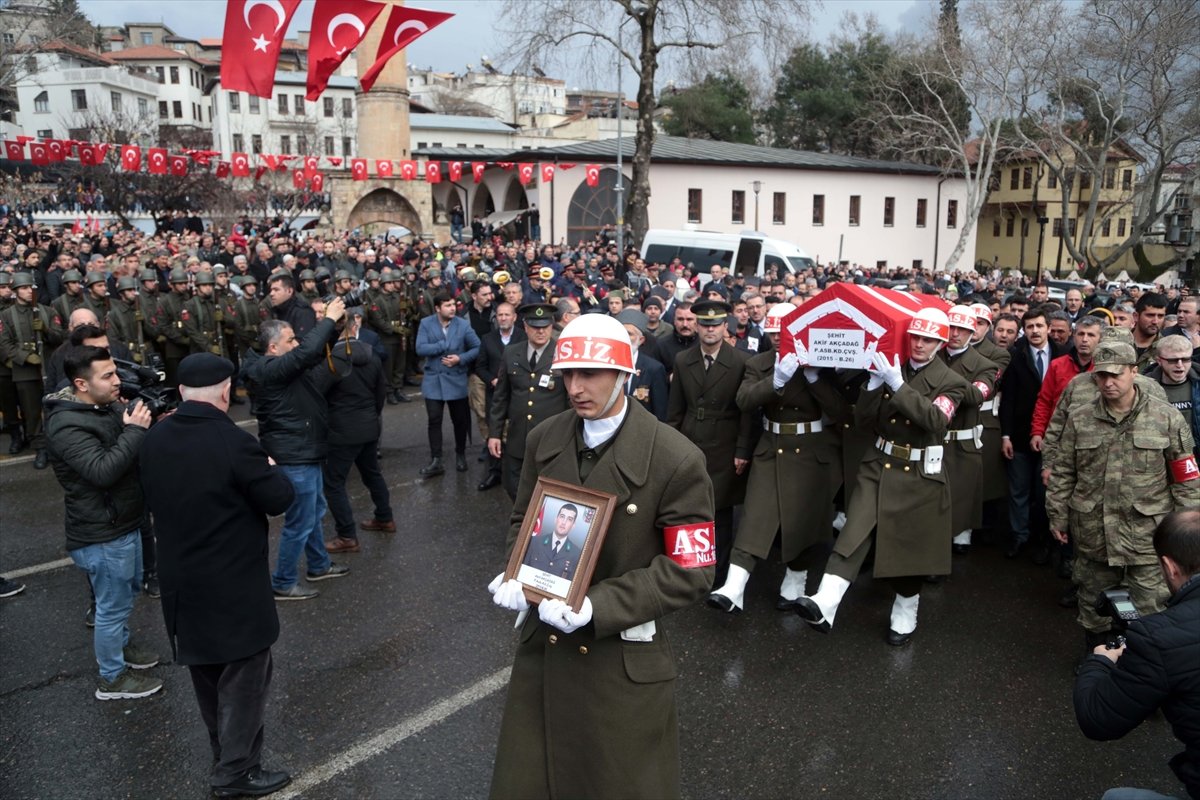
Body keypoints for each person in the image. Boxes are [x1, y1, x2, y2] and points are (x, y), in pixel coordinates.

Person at [488, 313, 716, 800]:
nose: (575, 387)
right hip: (544, 651)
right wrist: (518, 570)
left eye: (590, 373)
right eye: (568, 374)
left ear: (625, 374)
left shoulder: (676, 458)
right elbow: (523, 517)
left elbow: (692, 569)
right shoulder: (543, 438)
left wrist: (599, 606)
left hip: (618, 657)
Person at [140, 353, 295, 798]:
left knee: (208, 677)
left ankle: (224, 753)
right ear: (226, 392)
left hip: (181, 583)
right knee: (246, 679)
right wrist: (270, 467)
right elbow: (278, 498)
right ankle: (236, 772)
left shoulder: (154, 438)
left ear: (183, 392)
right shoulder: (233, 441)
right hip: (232, 586)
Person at [795, 308, 970, 645]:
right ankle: (825, 601)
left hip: (919, 473)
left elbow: (935, 420)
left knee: (909, 548)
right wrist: (874, 386)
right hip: (879, 463)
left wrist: (897, 385)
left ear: (940, 343)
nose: (919, 344)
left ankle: (906, 607)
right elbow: (862, 421)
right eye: (916, 337)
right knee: (854, 530)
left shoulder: (952, 382)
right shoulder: (892, 367)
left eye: (929, 339)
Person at [1047, 340, 1199, 653]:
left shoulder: (1166, 418)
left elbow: (1185, 477)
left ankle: (1143, 666)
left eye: (1116, 375)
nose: (1108, 382)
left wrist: (1188, 529)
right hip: (1094, 531)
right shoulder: (1080, 418)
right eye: (1101, 376)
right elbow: (1063, 471)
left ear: (1135, 372)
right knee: (1092, 603)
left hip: (1148, 535)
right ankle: (1098, 659)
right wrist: (1057, 514)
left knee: (1151, 606)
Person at [710, 303, 847, 612]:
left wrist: (814, 379)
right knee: (755, 516)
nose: (776, 338)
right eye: (771, 332)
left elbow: (841, 412)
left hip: (811, 447)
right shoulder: (759, 363)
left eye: (781, 332)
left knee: (804, 519)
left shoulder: (822, 361)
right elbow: (744, 400)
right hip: (772, 445)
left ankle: (796, 578)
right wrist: (776, 381)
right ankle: (734, 586)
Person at [43, 345, 162, 700]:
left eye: (115, 372)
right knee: (110, 609)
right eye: (108, 375)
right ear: (81, 383)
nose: (117, 381)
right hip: (102, 532)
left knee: (124, 596)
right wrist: (136, 431)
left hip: (124, 521)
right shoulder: (66, 423)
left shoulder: (100, 406)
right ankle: (112, 678)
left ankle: (121, 648)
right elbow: (102, 471)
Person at [1073, 510, 1200, 800]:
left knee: (1116, 797)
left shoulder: (1158, 638)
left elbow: (1096, 718)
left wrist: (1100, 660)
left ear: (1169, 567)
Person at [243, 298, 350, 601]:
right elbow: (307, 353)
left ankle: (318, 564)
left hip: (304, 448)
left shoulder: (278, 365)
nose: (297, 343)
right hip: (295, 454)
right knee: (299, 520)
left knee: (313, 511)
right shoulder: (269, 369)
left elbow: (310, 353)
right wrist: (326, 319)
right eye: (290, 340)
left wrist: (333, 326)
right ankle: (283, 580)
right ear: (273, 348)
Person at [667, 299, 754, 587]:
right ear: (696, 326)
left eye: (715, 325)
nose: (710, 330)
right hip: (692, 438)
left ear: (725, 326)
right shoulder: (684, 360)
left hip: (725, 442)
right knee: (689, 505)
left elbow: (746, 412)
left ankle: (717, 573)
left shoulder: (741, 361)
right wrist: (672, 448)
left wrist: (742, 450)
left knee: (720, 510)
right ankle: (691, 565)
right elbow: (675, 410)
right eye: (704, 324)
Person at [999, 305, 1067, 561]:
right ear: (1023, 331)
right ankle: (1019, 536)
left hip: (1053, 437)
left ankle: (1045, 538)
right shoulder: (1016, 356)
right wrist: (1006, 435)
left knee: (1045, 492)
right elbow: (1007, 400)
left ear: (1049, 328)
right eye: (1030, 327)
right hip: (1019, 435)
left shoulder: (1064, 355)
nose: (1035, 331)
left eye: (1039, 326)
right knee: (1019, 491)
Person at [322, 309, 393, 553]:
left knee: (333, 482)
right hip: (368, 424)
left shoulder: (332, 359)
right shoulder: (373, 355)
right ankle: (385, 517)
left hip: (342, 429)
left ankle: (346, 535)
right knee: (372, 473)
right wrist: (372, 414)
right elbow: (380, 390)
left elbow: (321, 395)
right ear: (354, 327)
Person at [487, 303, 568, 498]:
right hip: (518, 437)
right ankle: (522, 525)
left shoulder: (563, 354)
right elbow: (501, 397)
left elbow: (571, 400)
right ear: (525, 326)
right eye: (535, 326)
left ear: (552, 326)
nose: (541, 331)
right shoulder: (511, 353)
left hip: (552, 438)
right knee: (515, 487)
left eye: (545, 326)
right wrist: (495, 434)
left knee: (550, 490)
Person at [940, 306, 999, 556]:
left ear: (972, 331)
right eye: (952, 328)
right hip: (932, 439)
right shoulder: (934, 355)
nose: (955, 334)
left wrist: (937, 379)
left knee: (959, 501)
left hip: (961, 442)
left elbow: (975, 396)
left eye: (962, 329)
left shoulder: (985, 365)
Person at [0, 272, 64, 468]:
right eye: (24, 288)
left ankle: (59, 444)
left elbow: (59, 336)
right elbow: (4, 342)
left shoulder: (47, 310)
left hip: (48, 365)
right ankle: (40, 448)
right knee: (32, 411)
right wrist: (24, 356)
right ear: (16, 291)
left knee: (55, 406)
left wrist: (45, 329)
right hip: (25, 370)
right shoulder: (6, 315)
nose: (29, 291)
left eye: (31, 288)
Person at [415, 292, 480, 477]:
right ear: (437, 308)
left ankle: (460, 454)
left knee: (459, 420)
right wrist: (442, 345)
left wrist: (460, 358)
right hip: (433, 380)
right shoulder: (426, 323)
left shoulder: (463, 324)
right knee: (434, 420)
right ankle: (436, 459)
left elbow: (477, 347)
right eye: (447, 305)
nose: (452, 308)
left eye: (453, 304)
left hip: (456, 379)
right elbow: (420, 348)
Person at [1144, 334, 1200, 457]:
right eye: (1173, 360)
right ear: (1159, 360)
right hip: (1159, 459)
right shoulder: (1144, 388)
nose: (1180, 365)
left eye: (1185, 359)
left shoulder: (1197, 383)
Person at [522, 502, 581, 580]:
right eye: (562, 516)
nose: (564, 522)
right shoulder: (535, 542)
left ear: (573, 525)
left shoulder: (576, 554)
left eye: (569, 519)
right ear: (556, 519)